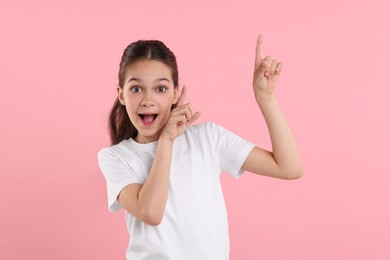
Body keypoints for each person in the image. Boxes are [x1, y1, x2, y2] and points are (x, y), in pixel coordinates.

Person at [98, 35, 303, 260]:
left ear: (176, 93)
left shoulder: (208, 138)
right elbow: (150, 212)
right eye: (136, 89)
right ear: (121, 95)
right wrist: (167, 139)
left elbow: (289, 168)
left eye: (161, 89)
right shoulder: (115, 157)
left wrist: (266, 98)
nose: (148, 100)